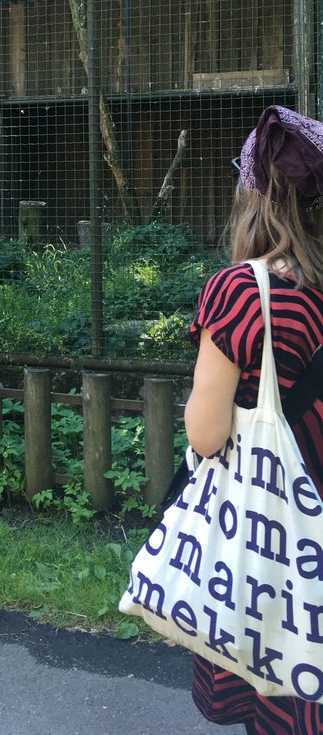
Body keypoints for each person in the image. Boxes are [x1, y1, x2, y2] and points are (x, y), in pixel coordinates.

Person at [185, 104, 323, 735]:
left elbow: (206, 435)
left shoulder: (238, 293)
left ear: (254, 201)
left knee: (279, 691)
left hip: (272, 543)